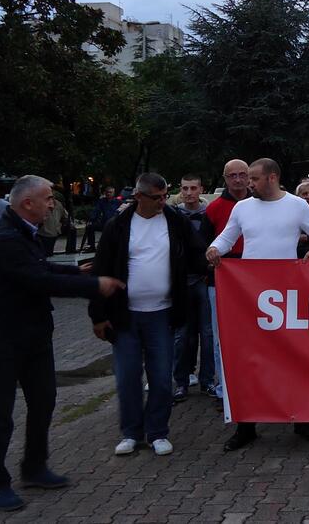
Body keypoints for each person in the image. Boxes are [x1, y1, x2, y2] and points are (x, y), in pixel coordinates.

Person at [0, 176, 123, 512]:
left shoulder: (25, 233)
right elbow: (37, 280)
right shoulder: (5, 239)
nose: (52, 204)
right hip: (1, 340)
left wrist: (78, 272)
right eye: (47, 198)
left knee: (43, 401)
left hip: (34, 337)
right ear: (28, 203)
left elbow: (41, 266)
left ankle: (34, 468)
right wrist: (95, 285)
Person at [208, 158, 309, 451]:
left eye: (254, 178)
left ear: (272, 177)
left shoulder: (297, 205)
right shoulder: (242, 208)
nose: (249, 183)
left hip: (286, 296)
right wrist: (213, 249)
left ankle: (301, 419)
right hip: (250, 296)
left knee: (293, 357)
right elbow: (226, 238)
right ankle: (246, 424)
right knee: (250, 360)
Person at [91, 173, 205, 458]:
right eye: (157, 198)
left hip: (162, 313)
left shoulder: (175, 221)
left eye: (166, 195)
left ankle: (157, 432)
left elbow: (196, 253)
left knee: (162, 377)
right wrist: (98, 315)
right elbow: (101, 270)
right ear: (139, 197)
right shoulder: (117, 226)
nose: (163, 202)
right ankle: (131, 432)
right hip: (125, 315)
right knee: (128, 376)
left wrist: (213, 261)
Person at [201, 159, 251, 403]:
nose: (238, 179)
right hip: (222, 277)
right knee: (221, 335)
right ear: (225, 178)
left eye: (243, 174)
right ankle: (224, 389)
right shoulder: (214, 208)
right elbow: (204, 244)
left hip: (255, 279)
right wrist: (210, 260)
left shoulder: (261, 203)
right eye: (233, 175)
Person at [173, 174, 213, 401]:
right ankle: (181, 380)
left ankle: (207, 380)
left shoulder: (209, 214)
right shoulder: (174, 215)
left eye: (193, 188)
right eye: (185, 188)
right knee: (182, 334)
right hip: (182, 279)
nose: (189, 193)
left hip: (203, 279)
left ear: (201, 189)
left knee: (207, 333)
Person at [82, 186, 119, 252]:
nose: (108, 194)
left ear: (113, 193)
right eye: (107, 192)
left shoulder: (118, 202)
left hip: (114, 224)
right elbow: (96, 211)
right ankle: (91, 246)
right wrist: (91, 220)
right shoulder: (102, 201)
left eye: (110, 192)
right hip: (104, 223)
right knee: (90, 227)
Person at [35, 185, 69, 257]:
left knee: (47, 253)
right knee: (46, 254)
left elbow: (65, 216)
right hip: (45, 232)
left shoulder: (57, 204)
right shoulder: (43, 203)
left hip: (50, 232)